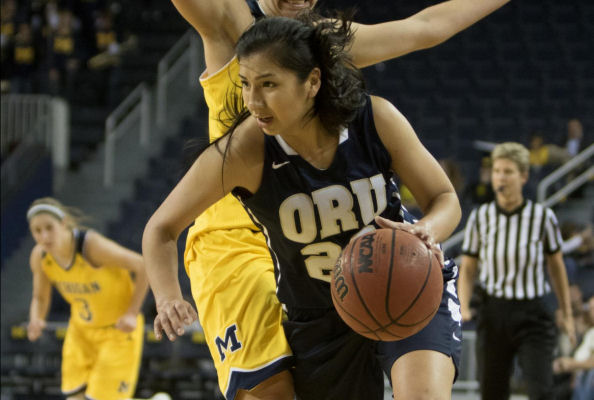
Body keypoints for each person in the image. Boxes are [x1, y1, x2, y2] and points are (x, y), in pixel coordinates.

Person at [166, 0, 510, 398]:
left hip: (340, 234)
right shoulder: (231, 21)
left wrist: (425, 231)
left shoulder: (325, 44)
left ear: (313, 80)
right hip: (237, 234)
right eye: (249, 84)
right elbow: (160, 229)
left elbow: (426, 27)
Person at [458, 142, 576, 400]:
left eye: (508, 171)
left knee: (541, 390)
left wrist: (566, 313)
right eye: (498, 170)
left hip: (532, 313)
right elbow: (468, 268)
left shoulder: (543, 217)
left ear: (523, 176)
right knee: (491, 391)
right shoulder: (481, 217)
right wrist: (464, 305)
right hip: (493, 311)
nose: (501, 176)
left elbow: (556, 267)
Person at [26, 197, 148, 400]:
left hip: (117, 332)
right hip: (80, 332)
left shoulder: (90, 246)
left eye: (49, 227)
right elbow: (39, 296)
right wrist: (36, 318)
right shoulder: (40, 257)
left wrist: (132, 313)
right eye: (37, 231)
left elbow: (143, 266)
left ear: (63, 223)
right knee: (74, 396)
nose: (44, 236)